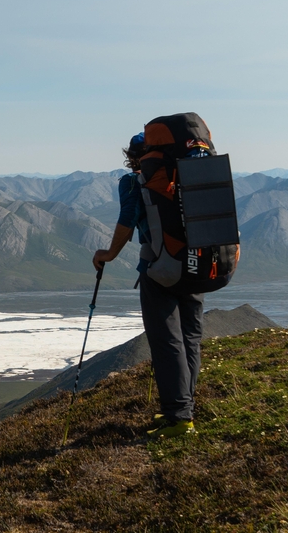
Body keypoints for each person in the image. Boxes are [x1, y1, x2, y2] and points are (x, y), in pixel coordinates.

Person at [91, 132, 202, 438]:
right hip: (197, 265)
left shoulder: (133, 181)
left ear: (134, 157)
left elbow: (128, 218)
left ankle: (179, 417)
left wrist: (108, 254)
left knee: (167, 342)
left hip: (159, 270)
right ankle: (183, 408)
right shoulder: (183, 176)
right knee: (190, 338)